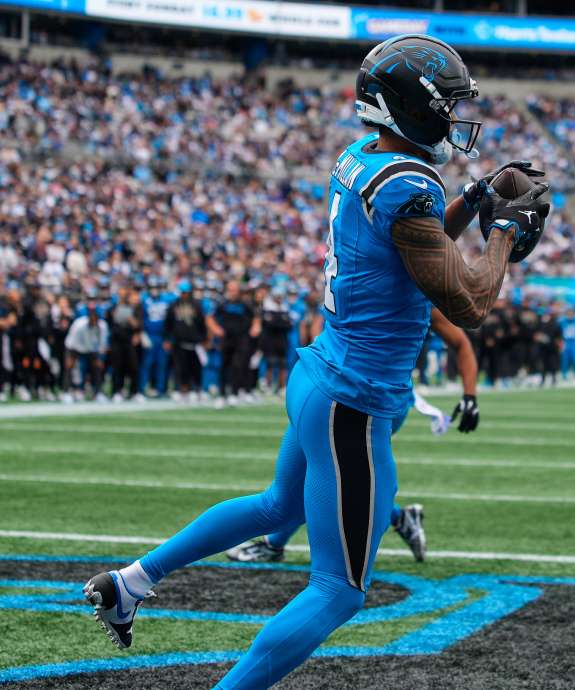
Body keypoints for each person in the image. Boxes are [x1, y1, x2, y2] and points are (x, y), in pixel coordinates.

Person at [82, 33, 550, 689]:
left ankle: (131, 582)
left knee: (278, 506)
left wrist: (474, 197)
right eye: (445, 104)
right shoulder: (408, 183)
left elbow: (415, 244)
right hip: (352, 403)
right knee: (339, 590)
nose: (454, 117)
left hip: (319, 375)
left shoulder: (362, 156)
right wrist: (504, 231)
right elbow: (468, 299)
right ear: (412, 108)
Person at [225, 307, 482, 564]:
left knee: (323, 479)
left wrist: (470, 395)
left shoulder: (411, 295)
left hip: (370, 400)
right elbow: (321, 326)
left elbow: (460, 343)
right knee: (324, 478)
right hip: (343, 391)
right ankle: (398, 519)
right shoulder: (367, 279)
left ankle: (276, 546)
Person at [165, 281, 207, 403]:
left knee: (195, 367)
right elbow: (168, 323)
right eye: (183, 292)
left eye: (186, 292)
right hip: (178, 342)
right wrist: (167, 338)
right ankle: (182, 390)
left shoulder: (196, 305)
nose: (184, 295)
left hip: (194, 342)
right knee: (180, 368)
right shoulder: (174, 305)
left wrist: (203, 339)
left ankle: (196, 389)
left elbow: (201, 323)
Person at [64, 304, 109, 402]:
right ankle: (67, 392)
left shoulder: (102, 326)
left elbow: (102, 343)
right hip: (75, 347)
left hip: (91, 349)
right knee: (70, 368)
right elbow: (71, 342)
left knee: (97, 368)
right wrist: (71, 357)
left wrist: (99, 357)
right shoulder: (79, 325)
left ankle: (98, 393)